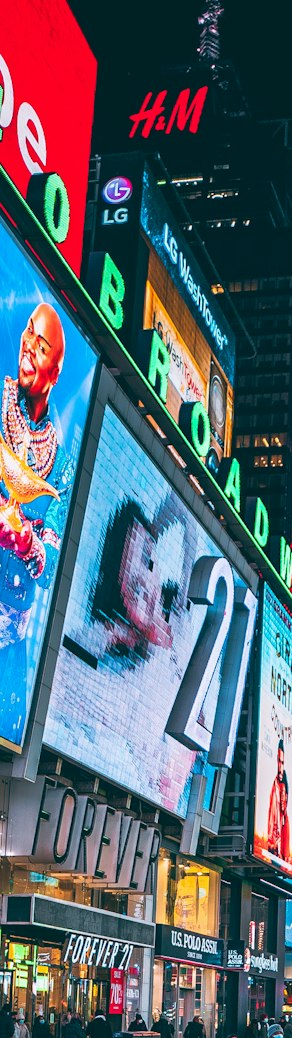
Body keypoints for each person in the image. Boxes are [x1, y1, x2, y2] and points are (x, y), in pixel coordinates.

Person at [0, 304, 75, 748]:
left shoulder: (61, 465)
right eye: (29, 332)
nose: (29, 346)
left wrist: (26, 540)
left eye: (41, 345)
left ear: (55, 371)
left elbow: (48, 567)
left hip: (10, 643)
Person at [266, 739, 290, 860]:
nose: (281, 766)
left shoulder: (282, 786)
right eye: (279, 762)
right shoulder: (274, 788)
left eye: (283, 762)